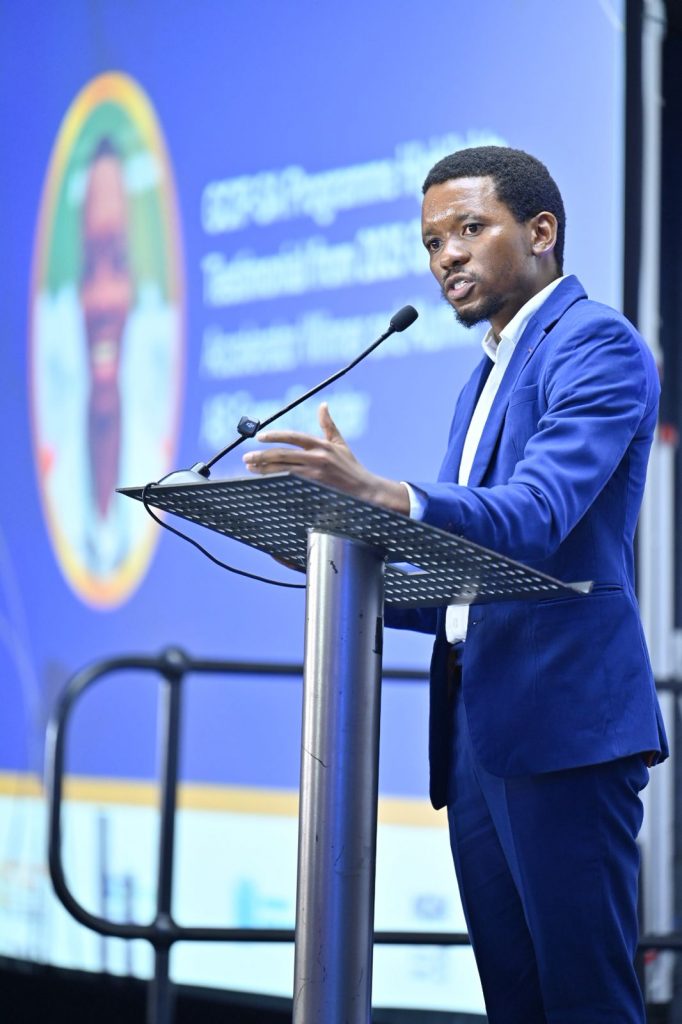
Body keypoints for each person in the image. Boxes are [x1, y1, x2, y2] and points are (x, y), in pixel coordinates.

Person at [242, 146, 668, 1023]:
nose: (447, 256)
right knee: (515, 1004)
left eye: (470, 229)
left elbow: (536, 515)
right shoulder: (485, 374)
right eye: (432, 242)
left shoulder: (594, 344)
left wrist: (385, 496)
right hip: (479, 736)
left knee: (586, 1005)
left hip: (564, 727)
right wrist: (338, 563)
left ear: (541, 232)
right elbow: (471, 585)